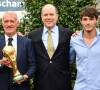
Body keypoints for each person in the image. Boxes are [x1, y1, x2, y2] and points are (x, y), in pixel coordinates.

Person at [28, 4, 74, 90]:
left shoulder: (68, 34)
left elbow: (71, 57)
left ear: (56, 16)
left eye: (51, 14)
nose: (48, 17)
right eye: (45, 15)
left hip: (63, 83)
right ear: (42, 17)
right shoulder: (32, 35)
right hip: (41, 83)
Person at [0, 11, 36, 90]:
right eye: (6, 21)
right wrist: (0, 63)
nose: (9, 24)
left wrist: (26, 76)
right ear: (2, 23)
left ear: (17, 23)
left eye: (12, 21)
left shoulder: (27, 42)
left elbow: (33, 65)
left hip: (22, 87)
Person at [70, 6, 100, 90]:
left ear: (96, 20)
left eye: (91, 19)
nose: (88, 22)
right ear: (81, 21)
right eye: (85, 19)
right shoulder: (74, 40)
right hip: (80, 87)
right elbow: (68, 60)